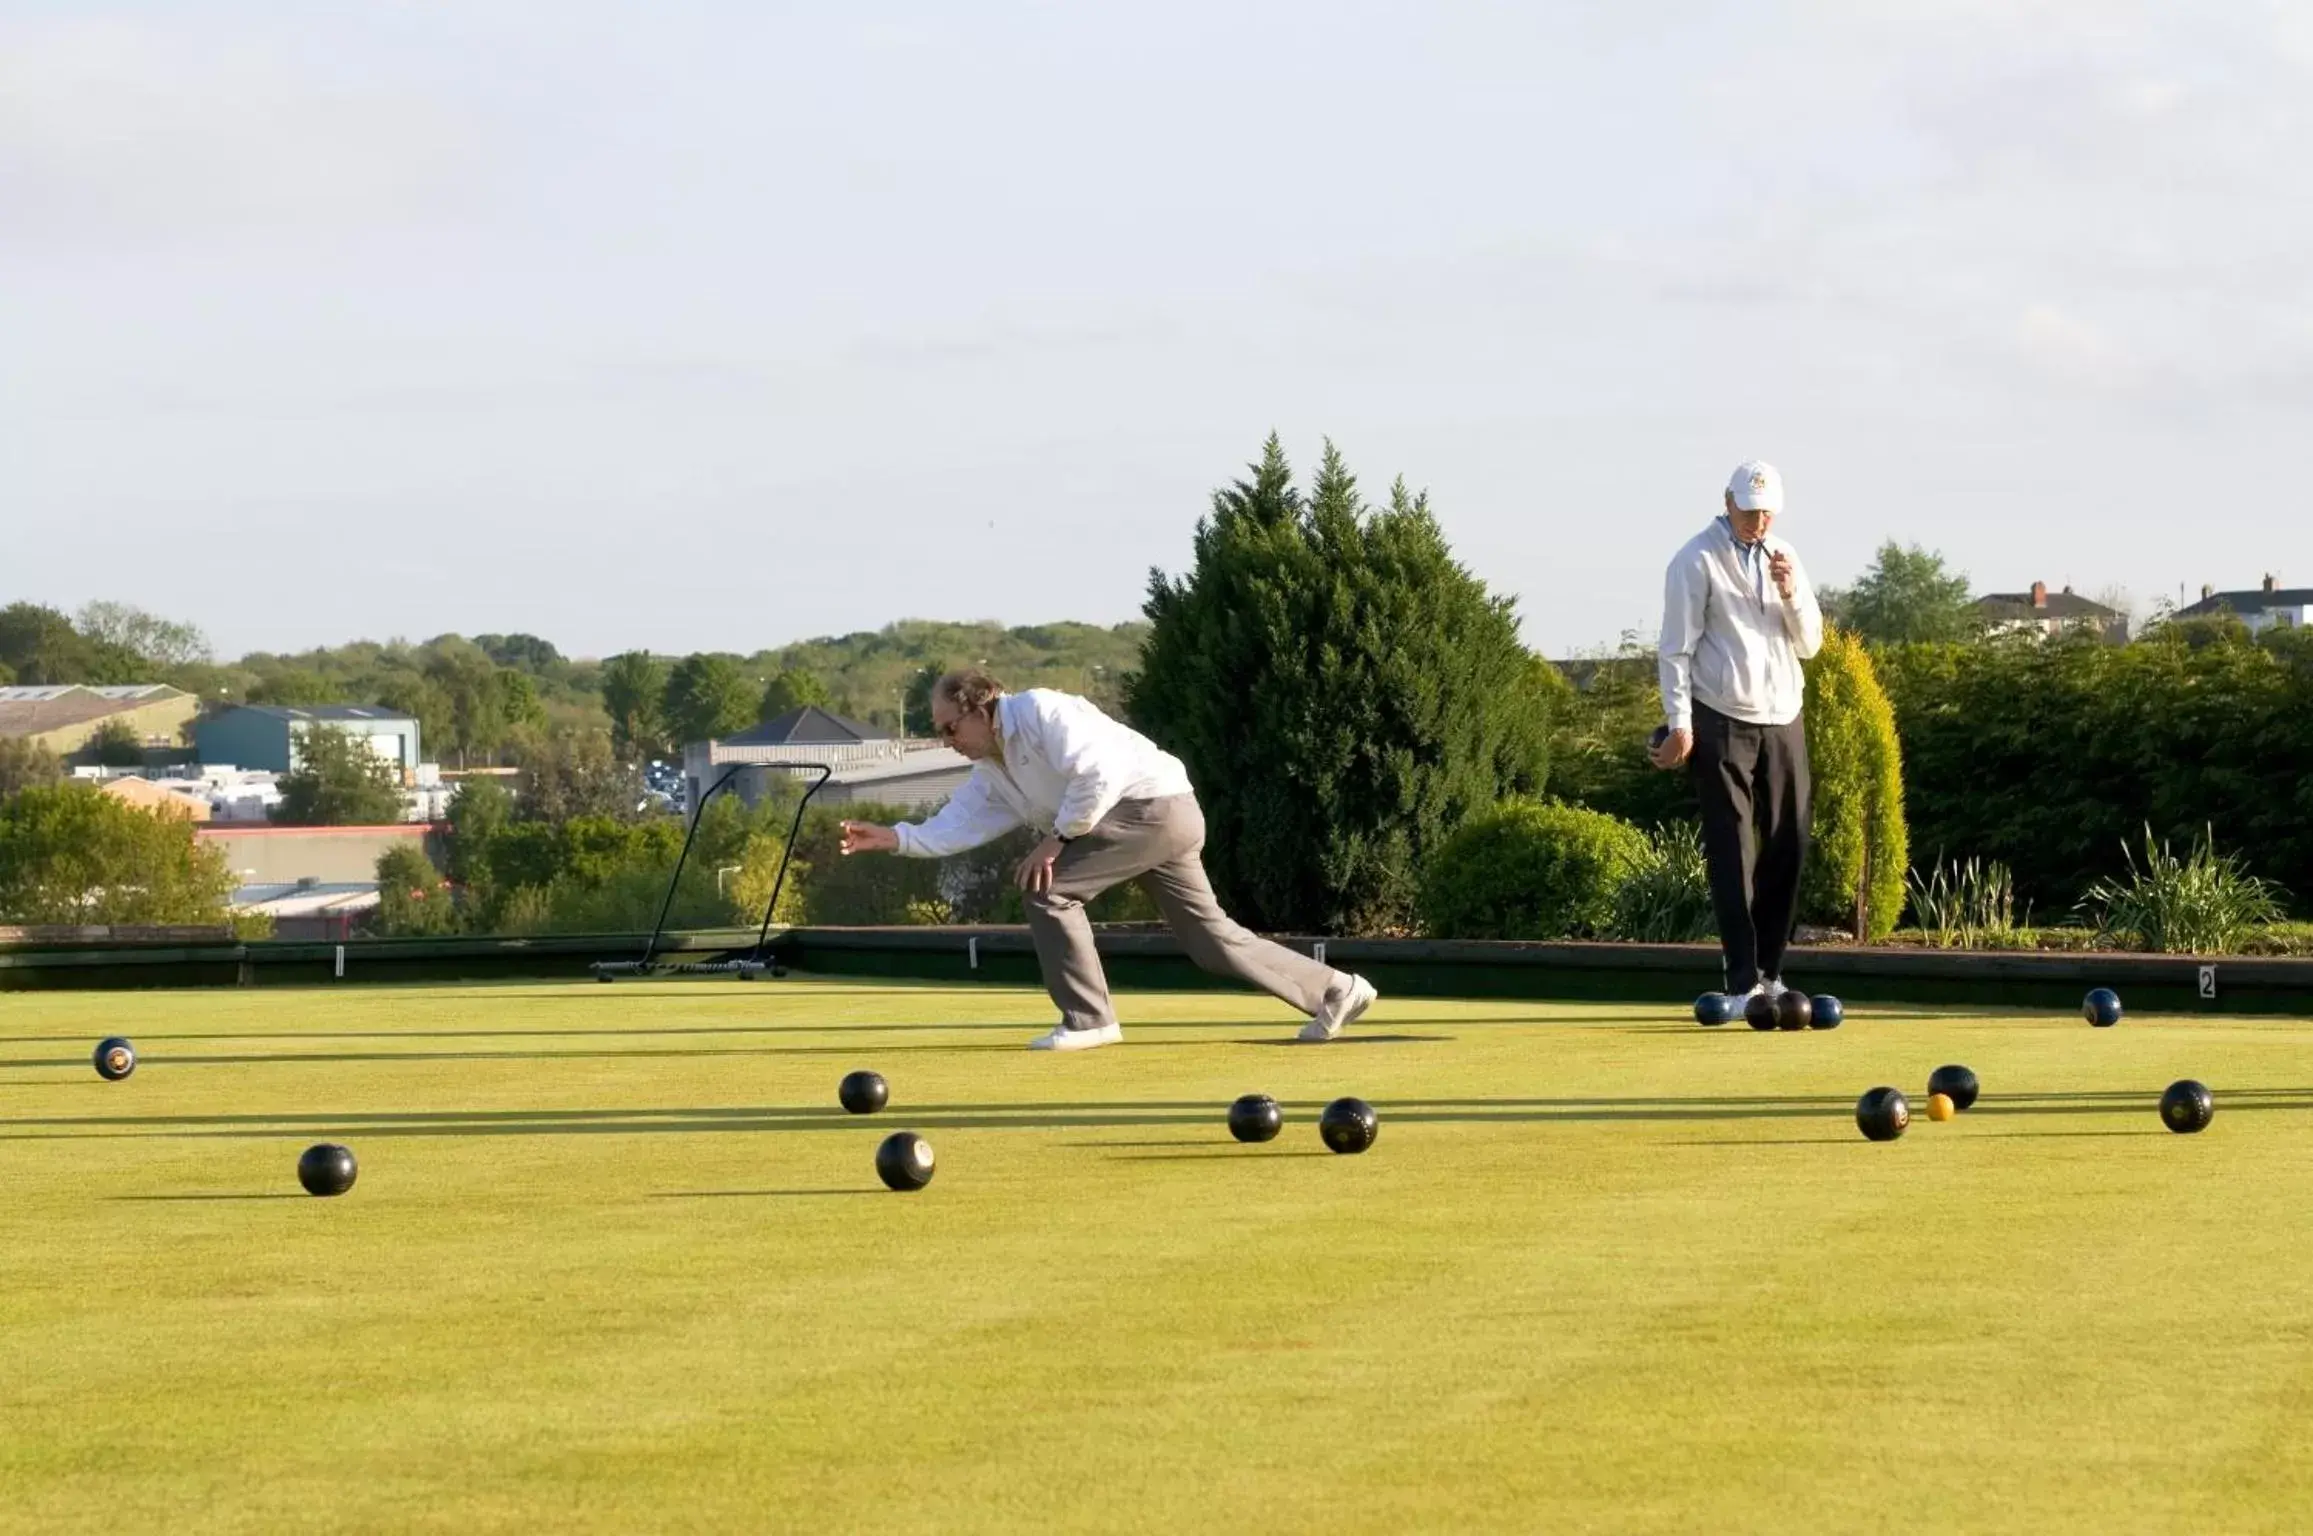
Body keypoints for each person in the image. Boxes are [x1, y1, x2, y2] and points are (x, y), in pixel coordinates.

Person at [838, 668, 1378, 1050]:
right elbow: (959, 823)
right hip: (1156, 819)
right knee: (1210, 942)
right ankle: (1337, 989)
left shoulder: (1043, 712)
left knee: (1048, 890)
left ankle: (1089, 1019)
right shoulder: (993, 770)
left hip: (1153, 808)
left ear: (980, 708)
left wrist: (1059, 840)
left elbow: (1100, 775)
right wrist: (896, 837)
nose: (946, 739)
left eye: (949, 728)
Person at [1651, 460, 1823, 1001]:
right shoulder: (1695, 560)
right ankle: (1743, 978)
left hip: (1783, 714)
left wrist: (1792, 592)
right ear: (1728, 502)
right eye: (1750, 511)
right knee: (1733, 849)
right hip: (1720, 715)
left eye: (1768, 511)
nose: (1759, 522)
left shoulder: (1786, 556)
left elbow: (1810, 644)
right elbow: (1675, 649)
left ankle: (1771, 973)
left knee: (1788, 842)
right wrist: (1680, 724)